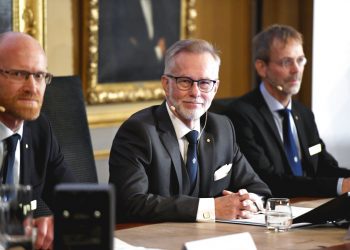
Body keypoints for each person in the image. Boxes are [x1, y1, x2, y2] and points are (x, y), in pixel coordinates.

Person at [109, 38, 271, 223]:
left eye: (204, 83)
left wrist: (250, 202)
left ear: (215, 87)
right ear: (166, 84)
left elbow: (259, 189)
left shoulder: (222, 128)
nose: (195, 92)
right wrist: (211, 209)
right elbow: (131, 203)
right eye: (185, 81)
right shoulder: (139, 132)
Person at [224, 24, 350, 198]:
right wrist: (338, 186)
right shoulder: (241, 115)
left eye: (300, 60)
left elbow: (322, 165)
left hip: (309, 206)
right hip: (271, 213)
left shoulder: (304, 113)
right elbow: (268, 180)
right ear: (262, 67)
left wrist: (345, 180)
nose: (296, 69)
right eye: (286, 62)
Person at [0, 32, 76, 249]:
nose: (32, 87)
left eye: (39, 75)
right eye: (18, 74)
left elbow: (78, 201)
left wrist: (58, 224)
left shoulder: (39, 129)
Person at [98, 0, 180, 82]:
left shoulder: (159, 4)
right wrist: (156, 52)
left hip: (158, 78)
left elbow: (168, 40)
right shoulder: (122, 5)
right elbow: (127, 51)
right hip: (130, 79)